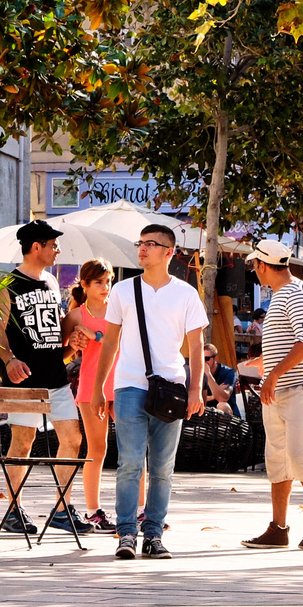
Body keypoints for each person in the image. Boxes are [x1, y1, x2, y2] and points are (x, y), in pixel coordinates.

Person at [92, 224, 207, 560]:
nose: (142, 249)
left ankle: (153, 534)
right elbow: (110, 341)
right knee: (129, 463)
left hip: (171, 389)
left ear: (169, 252)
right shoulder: (124, 291)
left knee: (162, 468)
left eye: (151, 244)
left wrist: (196, 388)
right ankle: (126, 532)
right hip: (129, 385)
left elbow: (197, 345)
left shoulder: (186, 294)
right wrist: (102, 387)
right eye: (140, 243)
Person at [0, 221, 92, 536]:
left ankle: (62, 509)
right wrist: (8, 360)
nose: (57, 250)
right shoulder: (7, 285)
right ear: (37, 247)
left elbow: (51, 334)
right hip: (26, 380)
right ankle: (12, 510)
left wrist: (71, 342)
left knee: (73, 439)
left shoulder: (50, 282)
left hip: (56, 376)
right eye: (53, 245)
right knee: (23, 443)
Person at [241, 239, 303, 550]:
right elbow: (290, 343)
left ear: (264, 265)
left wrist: (274, 373)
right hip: (280, 389)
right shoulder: (284, 295)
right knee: (277, 458)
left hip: (296, 387)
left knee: (299, 454)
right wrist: (263, 364)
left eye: (254, 265)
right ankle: (279, 528)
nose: (254, 271)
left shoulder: (294, 294)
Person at [68, 258, 125, 533]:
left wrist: (96, 334)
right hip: (91, 387)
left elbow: (125, 340)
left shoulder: (120, 309)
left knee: (133, 448)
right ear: (85, 285)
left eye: (109, 281)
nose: (106, 287)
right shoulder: (77, 315)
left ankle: (139, 510)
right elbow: (62, 350)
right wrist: (74, 341)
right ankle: (93, 512)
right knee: (97, 449)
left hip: (124, 383)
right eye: (99, 282)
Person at [202, 343, 240, 416]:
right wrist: (213, 396)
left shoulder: (229, 373)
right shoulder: (197, 373)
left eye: (207, 359)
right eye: (201, 359)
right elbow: (194, 396)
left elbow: (223, 398)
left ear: (216, 359)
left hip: (228, 417)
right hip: (205, 412)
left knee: (223, 405)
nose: (204, 362)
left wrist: (208, 375)